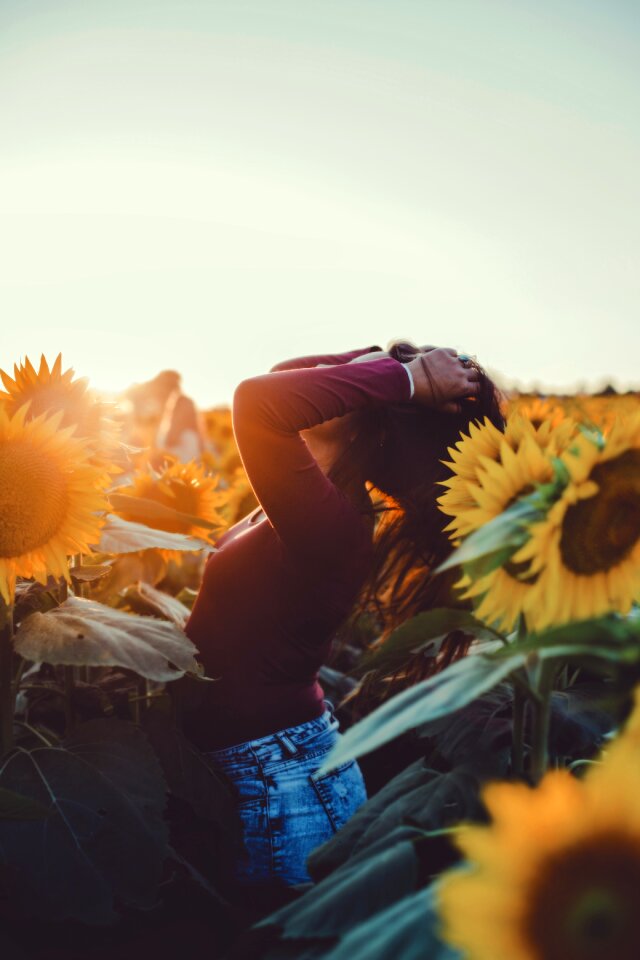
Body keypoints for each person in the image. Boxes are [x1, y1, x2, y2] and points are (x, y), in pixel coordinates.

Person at [182, 341, 503, 895]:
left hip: (287, 787)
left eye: (375, 378)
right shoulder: (307, 495)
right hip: (271, 772)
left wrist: (405, 380)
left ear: (368, 423)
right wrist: (383, 360)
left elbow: (259, 400)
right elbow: (280, 377)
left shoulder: (334, 526)